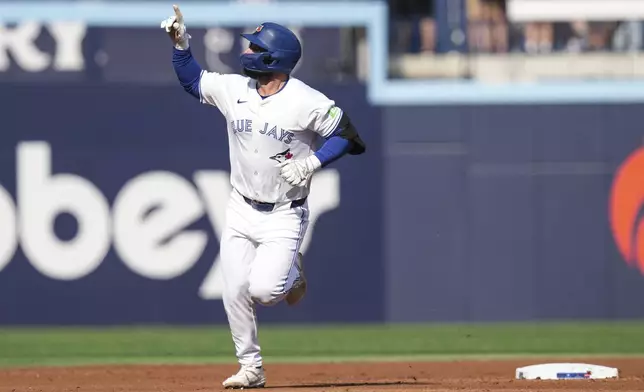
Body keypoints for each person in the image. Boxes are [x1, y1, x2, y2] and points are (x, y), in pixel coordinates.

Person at [160, 5, 366, 389]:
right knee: (233, 288)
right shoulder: (235, 89)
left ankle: (294, 270)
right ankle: (251, 368)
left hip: (285, 212)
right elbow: (193, 81)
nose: (248, 53)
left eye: (256, 48)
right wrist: (181, 44)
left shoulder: (305, 100)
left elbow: (349, 136)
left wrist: (312, 163)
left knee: (266, 291)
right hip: (240, 206)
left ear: (276, 57)